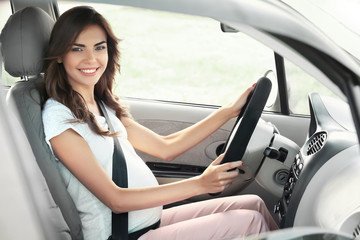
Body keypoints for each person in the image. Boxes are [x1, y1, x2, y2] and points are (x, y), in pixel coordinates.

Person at [41, 6, 278, 240]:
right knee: (250, 222)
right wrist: (200, 184)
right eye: (77, 49)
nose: (91, 59)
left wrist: (229, 111)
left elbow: (166, 147)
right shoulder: (59, 118)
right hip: (123, 235)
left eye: (99, 47)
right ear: (60, 54)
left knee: (254, 205)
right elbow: (116, 200)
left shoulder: (102, 106)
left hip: (149, 223)